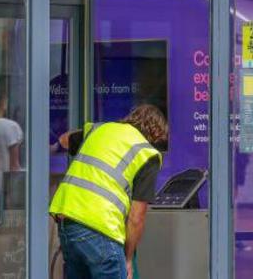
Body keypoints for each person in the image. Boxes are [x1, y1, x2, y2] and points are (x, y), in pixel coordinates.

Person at [49, 104, 167, 279]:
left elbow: (65, 139)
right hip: (100, 227)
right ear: (156, 134)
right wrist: (128, 259)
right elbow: (136, 217)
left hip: (68, 220)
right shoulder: (147, 154)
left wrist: (61, 143)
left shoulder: (99, 129)